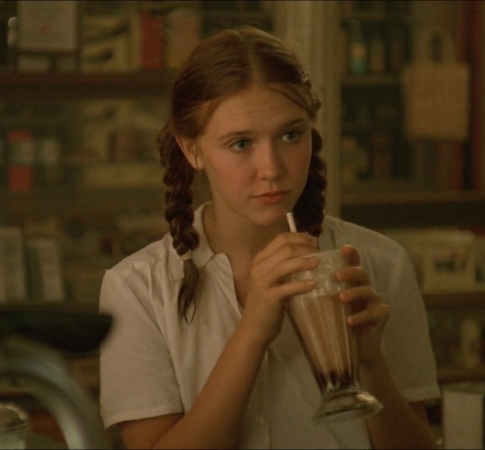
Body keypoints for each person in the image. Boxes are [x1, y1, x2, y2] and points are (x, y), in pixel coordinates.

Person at [99, 26, 440, 449]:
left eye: (291, 135)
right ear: (193, 150)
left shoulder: (380, 264)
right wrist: (253, 330)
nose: (272, 168)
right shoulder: (138, 288)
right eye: (241, 143)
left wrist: (370, 364)